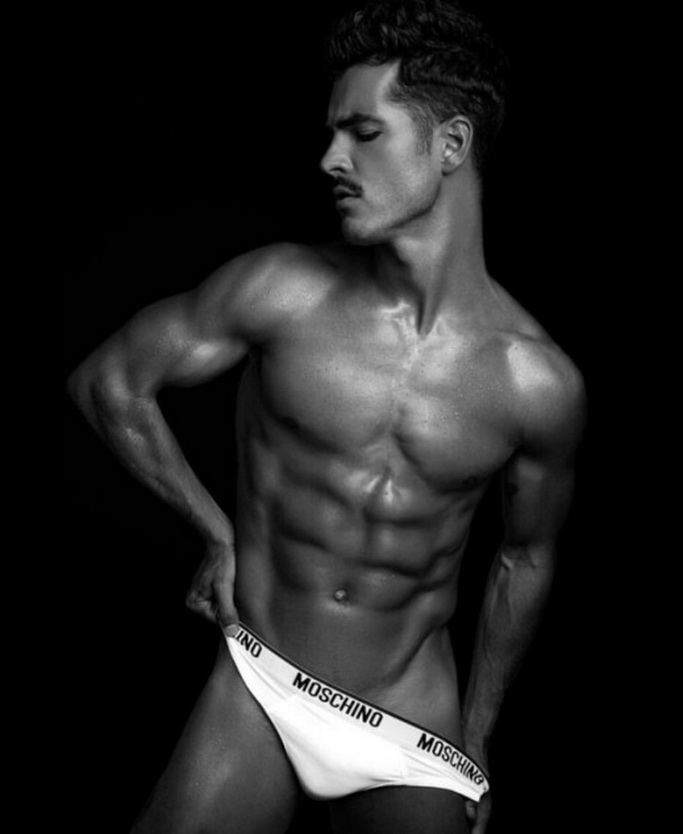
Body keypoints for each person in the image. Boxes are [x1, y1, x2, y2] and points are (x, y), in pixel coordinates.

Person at [68, 1, 586, 831]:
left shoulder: (534, 382)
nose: (330, 159)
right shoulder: (281, 290)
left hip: (407, 718)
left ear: (449, 145)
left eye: (363, 133)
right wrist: (214, 532)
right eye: (332, 133)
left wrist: (479, 734)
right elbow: (110, 382)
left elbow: (524, 558)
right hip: (261, 680)